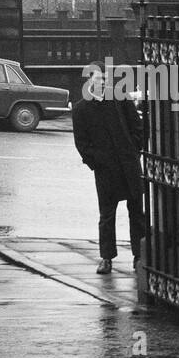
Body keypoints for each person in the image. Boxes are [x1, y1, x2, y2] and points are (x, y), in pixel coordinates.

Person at [71, 72, 147, 274]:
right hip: (106, 170)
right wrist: (98, 162)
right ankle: (106, 258)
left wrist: (134, 149)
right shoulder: (81, 109)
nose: (103, 81)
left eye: (105, 78)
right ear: (89, 81)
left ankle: (139, 256)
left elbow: (137, 127)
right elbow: (82, 143)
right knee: (107, 214)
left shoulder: (120, 99)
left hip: (129, 164)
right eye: (98, 78)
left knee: (137, 211)